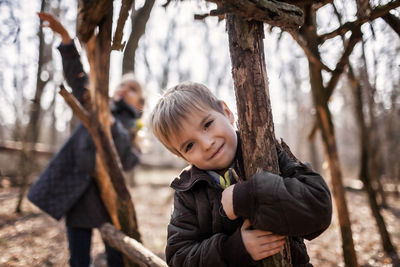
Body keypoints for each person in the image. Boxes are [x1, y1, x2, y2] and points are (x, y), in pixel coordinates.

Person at [150, 82, 332, 266]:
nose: (206, 143)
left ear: (226, 112)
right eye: (189, 145)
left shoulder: (269, 151)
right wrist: (233, 250)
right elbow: (178, 258)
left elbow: (319, 209)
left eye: (207, 124)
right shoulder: (188, 192)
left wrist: (248, 196)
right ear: (182, 156)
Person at [28, 12, 144, 267]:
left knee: (117, 257)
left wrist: (114, 127)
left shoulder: (134, 128)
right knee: (78, 259)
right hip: (79, 193)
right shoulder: (99, 106)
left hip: (109, 199)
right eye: (121, 86)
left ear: (141, 102)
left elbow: (128, 161)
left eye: (132, 88)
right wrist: (67, 40)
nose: (124, 90)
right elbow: (80, 82)